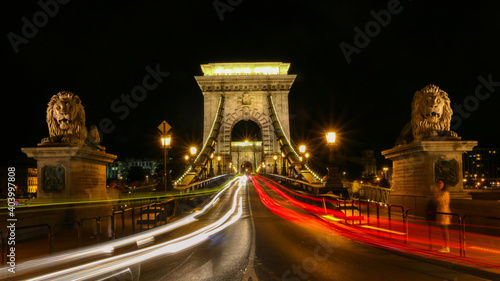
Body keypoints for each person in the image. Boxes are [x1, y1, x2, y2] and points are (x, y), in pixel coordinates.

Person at [434, 179, 451, 252]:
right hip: (441, 212)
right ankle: (445, 245)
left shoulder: (445, 193)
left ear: (444, 184)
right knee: (443, 230)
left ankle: (447, 247)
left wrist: (435, 192)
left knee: (445, 230)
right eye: (438, 183)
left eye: (441, 183)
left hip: (444, 213)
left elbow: (439, 200)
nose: (439, 184)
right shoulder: (440, 192)